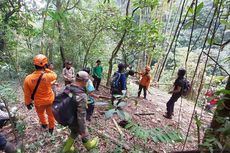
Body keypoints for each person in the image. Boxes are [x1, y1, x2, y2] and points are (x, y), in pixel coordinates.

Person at [62, 71, 98, 152]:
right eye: (87, 81)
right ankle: (89, 146)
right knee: (82, 132)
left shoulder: (68, 87)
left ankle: (67, 149)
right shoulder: (82, 96)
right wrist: (83, 131)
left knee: (74, 132)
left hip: (68, 116)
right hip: (75, 119)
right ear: (84, 81)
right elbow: (81, 117)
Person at [24, 54, 57, 134]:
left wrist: (28, 103)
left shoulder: (28, 78)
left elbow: (27, 93)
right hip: (49, 100)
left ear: (35, 65)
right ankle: (51, 128)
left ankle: (44, 124)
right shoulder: (48, 76)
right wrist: (47, 69)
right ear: (45, 65)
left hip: (38, 102)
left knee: (40, 113)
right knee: (50, 114)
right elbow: (55, 75)